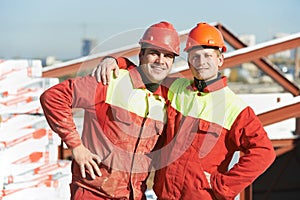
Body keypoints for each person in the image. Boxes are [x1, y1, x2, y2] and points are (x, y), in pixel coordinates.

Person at [94, 22, 276, 200]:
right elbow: (146, 74)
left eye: (208, 56)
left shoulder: (235, 108)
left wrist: (223, 185)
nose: (201, 62)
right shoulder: (175, 88)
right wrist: (116, 61)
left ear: (220, 59)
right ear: (189, 60)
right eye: (195, 56)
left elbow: (264, 152)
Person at [39, 21, 180, 200]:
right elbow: (53, 98)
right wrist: (76, 147)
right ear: (141, 54)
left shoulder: (166, 101)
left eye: (168, 56)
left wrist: (117, 60)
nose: (161, 60)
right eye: (154, 53)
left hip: (133, 196)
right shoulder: (110, 80)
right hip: (94, 193)